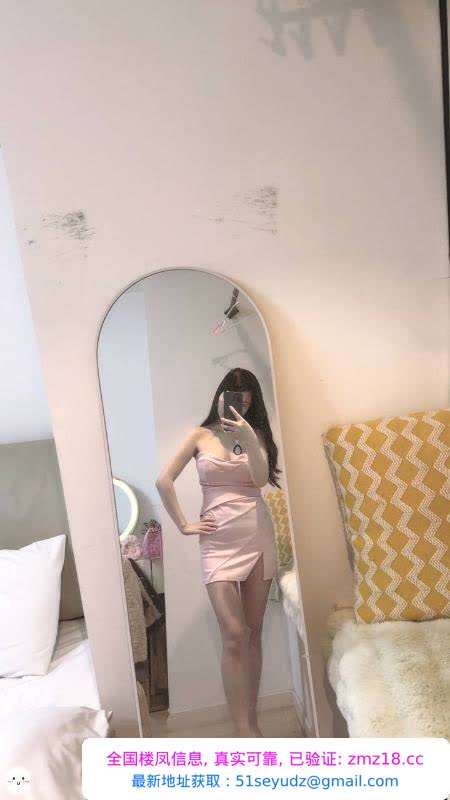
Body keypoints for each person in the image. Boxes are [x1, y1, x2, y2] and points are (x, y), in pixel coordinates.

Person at [155, 367, 282, 737]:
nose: (240, 402)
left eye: (247, 398)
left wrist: (249, 438)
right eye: (233, 393)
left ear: (254, 402)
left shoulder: (257, 435)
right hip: (217, 544)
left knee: (253, 633)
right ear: (221, 395)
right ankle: (242, 726)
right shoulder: (199, 435)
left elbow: (260, 480)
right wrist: (183, 524)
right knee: (235, 633)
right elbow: (163, 480)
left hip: (257, 536)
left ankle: (250, 725)